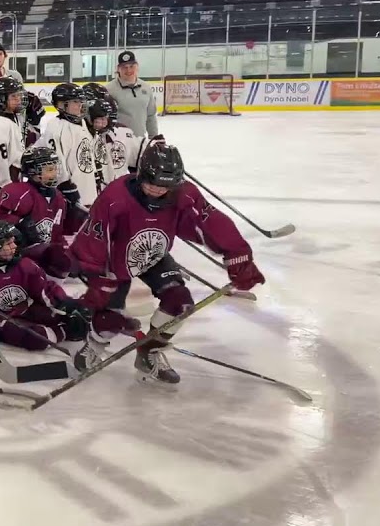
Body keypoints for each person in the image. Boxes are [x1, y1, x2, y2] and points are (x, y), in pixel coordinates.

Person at [71, 144, 265, 382]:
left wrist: (238, 255)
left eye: (164, 186)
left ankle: (148, 353)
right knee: (108, 319)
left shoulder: (185, 194)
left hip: (154, 255)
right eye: (151, 182)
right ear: (141, 174)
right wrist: (97, 278)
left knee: (180, 304)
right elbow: (94, 239)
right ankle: (94, 344)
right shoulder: (114, 198)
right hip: (115, 261)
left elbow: (212, 222)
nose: (156, 189)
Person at [0, 220, 89, 354]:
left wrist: (67, 304)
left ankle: (72, 325)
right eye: (8, 243)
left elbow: (45, 290)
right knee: (38, 338)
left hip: (23, 309)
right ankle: (64, 332)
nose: (14, 246)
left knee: (60, 316)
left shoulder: (25, 265)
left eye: (13, 241)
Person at [0, 145, 76, 278]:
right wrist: (17, 227)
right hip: (17, 255)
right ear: (33, 171)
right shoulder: (16, 192)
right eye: (49, 169)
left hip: (43, 258)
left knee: (66, 261)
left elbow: (57, 234)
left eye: (55, 168)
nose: (54, 173)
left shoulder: (59, 198)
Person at [39, 83, 100, 229]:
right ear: (61, 105)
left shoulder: (82, 123)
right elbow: (55, 160)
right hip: (72, 195)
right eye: (75, 102)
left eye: (81, 101)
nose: (80, 105)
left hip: (88, 191)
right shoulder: (56, 127)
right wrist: (66, 186)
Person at [104, 50, 159, 138]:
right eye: (124, 67)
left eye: (131, 66)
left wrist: (154, 138)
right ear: (118, 69)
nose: (128, 70)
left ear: (137, 67)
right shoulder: (109, 89)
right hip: (117, 141)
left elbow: (151, 116)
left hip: (140, 140)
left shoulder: (146, 87)